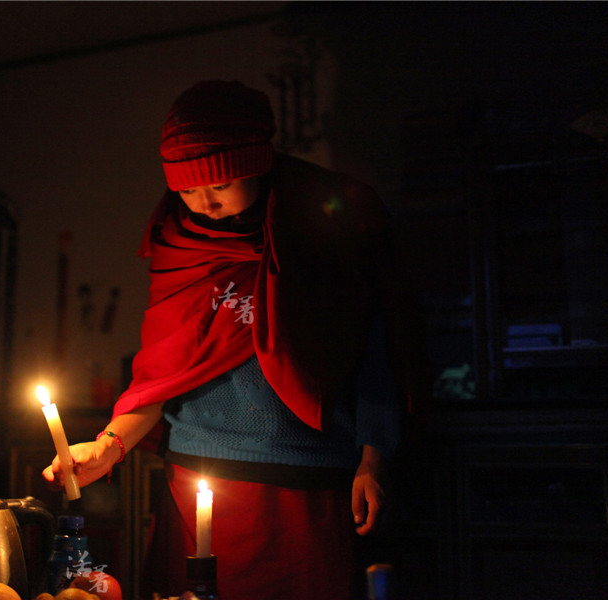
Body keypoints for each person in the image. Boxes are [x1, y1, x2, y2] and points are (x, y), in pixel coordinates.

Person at [43, 80, 428, 599]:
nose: (204, 202)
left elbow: (374, 352)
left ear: (259, 162)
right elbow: (162, 374)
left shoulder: (322, 226)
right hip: (197, 479)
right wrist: (110, 446)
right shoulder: (180, 244)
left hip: (308, 486)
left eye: (221, 184)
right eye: (186, 188)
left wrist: (373, 458)